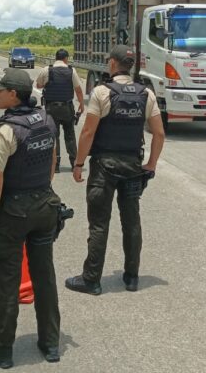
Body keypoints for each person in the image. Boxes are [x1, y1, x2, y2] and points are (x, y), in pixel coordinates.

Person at [65, 44, 165, 295]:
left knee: (99, 224)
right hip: (132, 166)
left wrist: (78, 163)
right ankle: (132, 277)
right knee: (132, 222)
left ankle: (92, 279)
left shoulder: (101, 92)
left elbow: (88, 132)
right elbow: (159, 133)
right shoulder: (146, 94)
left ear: (112, 63)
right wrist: (151, 164)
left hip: (103, 168)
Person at [0, 68, 62, 369]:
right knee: (45, 276)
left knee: (7, 281)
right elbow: (52, 160)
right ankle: (51, 344)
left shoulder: (5, 131)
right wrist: (43, 189)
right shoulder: (47, 120)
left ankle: (3, 350)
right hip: (44, 204)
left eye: (0, 90)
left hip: (13, 213)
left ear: (14, 95)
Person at [35, 49, 84, 172]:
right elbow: (78, 89)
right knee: (70, 135)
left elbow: (38, 85)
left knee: (54, 135)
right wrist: (82, 104)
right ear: (66, 58)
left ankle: (55, 165)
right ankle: (74, 163)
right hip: (67, 108)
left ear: (56, 58)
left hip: (51, 108)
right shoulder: (71, 71)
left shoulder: (47, 70)